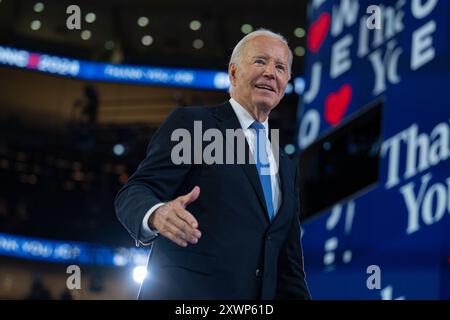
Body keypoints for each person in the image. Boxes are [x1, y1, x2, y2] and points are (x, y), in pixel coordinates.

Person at [115, 29, 311, 299]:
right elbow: (135, 190)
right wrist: (157, 213)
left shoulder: (286, 165)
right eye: (260, 61)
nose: (270, 72)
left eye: (280, 67)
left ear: (286, 82)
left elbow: (289, 267)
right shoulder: (195, 126)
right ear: (233, 73)